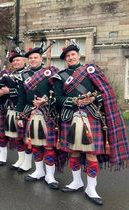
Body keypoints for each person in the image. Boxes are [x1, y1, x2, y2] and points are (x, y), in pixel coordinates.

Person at [52, 42, 129, 205]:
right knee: (73, 151)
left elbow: (106, 92)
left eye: (73, 54)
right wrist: (74, 101)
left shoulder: (91, 71)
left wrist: (93, 98)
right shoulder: (61, 75)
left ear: (79, 56)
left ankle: (91, 187)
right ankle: (76, 182)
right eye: (67, 56)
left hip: (91, 116)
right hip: (70, 116)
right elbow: (57, 99)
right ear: (65, 59)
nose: (70, 57)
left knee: (91, 153)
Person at [16, 45, 61, 189]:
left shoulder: (51, 72)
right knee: (35, 144)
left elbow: (58, 93)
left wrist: (46, 100)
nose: (33, 60)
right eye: (30, 58)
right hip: (31, 113)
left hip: (48, 112)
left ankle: (50, 175)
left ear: (41, 59)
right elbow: (21, 98)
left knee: (48, 146)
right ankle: (39, 171)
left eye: (35, 57)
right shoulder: (24, 75)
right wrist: (19, 116)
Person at [7, 48, 33, 172]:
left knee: (26, 137)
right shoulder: (10, 74)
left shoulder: (29, 73)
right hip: (13, 107)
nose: (16, 62)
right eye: (14, 61)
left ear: (24, 60)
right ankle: (20, 159)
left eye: (18, 60)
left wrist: (9, 90)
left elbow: (28, 93)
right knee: (17, 136)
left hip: (26, 108)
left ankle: (27, 162)